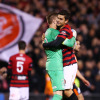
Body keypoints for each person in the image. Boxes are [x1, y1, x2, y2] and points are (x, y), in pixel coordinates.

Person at [43, 10, 80, 100]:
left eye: (60, 19)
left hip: (59, 65)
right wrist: (74, 37)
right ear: (54, 21)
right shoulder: (54, 32)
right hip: (56, 65)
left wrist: (44, 44)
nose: (59, 21)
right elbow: (71, 43)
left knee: (62, 93)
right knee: (59, 94)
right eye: (58, 19)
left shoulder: (48, 32)